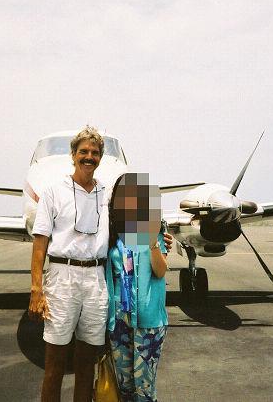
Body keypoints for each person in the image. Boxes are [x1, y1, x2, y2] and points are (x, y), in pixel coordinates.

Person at [29, 126, 110, 402]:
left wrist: (159, 238)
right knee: (55, 363)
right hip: (62, 277)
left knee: (87, 363)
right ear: (73, 155)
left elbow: (137, 224)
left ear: (100, 158)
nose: (89, 157)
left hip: (96, 278)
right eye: (83, 151)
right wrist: (36, 289)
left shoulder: (107, 193)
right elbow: (40, 242)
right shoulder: (53, 191)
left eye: (95, 153)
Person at [106, 172, 170, 402]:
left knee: (144, 389)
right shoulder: (111, 231)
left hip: (147, 320)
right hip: (119, 321)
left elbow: (160, 271)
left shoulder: (154, 228)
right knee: (124, 387)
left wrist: (153, 244)